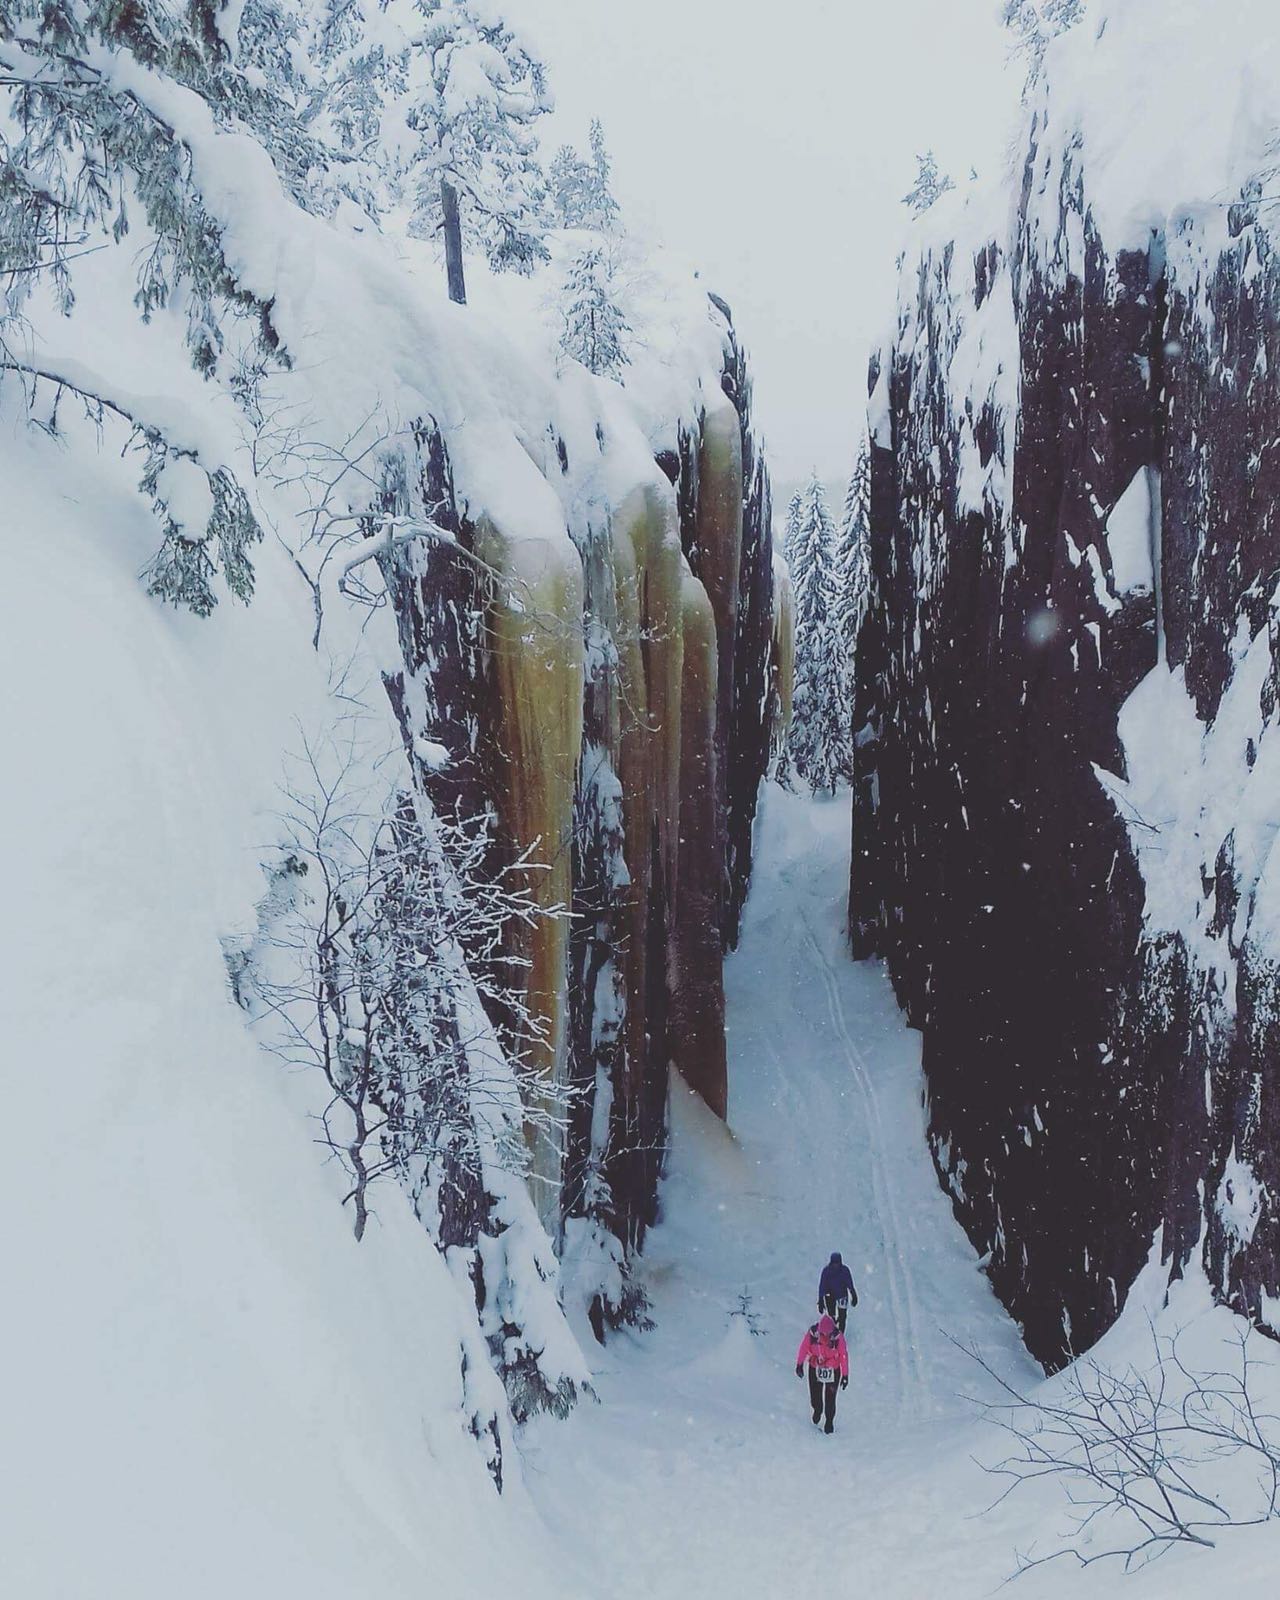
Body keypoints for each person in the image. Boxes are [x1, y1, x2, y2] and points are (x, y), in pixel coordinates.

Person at [795, 1312, 849, 1434]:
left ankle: (829, 1420)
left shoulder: (838, 1337)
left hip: (833, 1370)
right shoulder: (813, 1334)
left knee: (830, 1398)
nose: (824, 1336)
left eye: (827, 1334)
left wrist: (845, 1375)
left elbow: (843, 1356)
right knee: (815, 1394)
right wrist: (799, 1364)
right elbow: (804, 1347)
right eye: (822, 1334)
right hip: (815, 1367)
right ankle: (817, 1409)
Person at [817, 1251, 858, 1332]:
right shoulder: (826, 1271)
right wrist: (821, 1300)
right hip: (830, 1294)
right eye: (834, 1263)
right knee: (831, 1316)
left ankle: (841, 1333)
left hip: (842, 1295)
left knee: (842, 1316)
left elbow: (849, 1283)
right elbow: (822, 1285)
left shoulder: (845, 1270)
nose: (836, 1265)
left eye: (837, 1263)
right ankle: (831, 1331)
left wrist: (853, 1294)